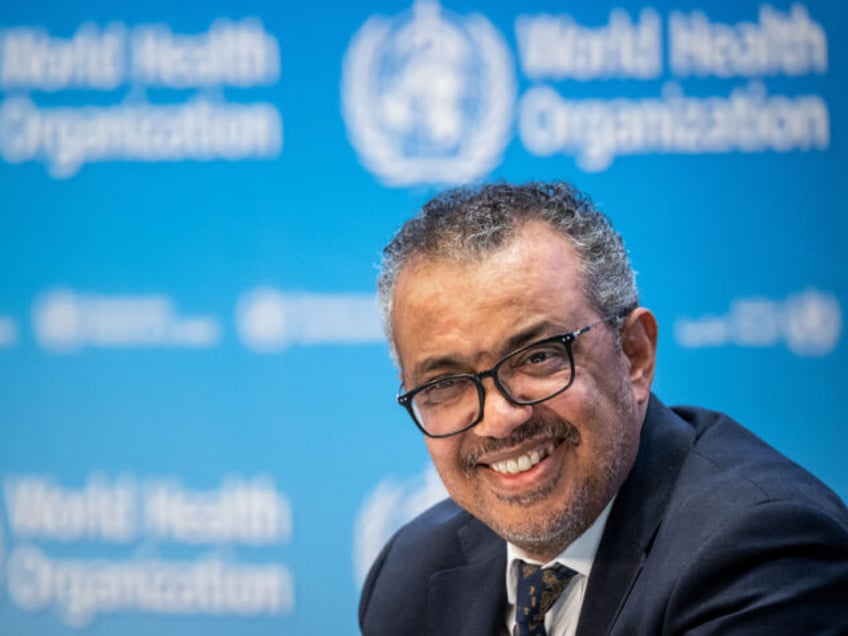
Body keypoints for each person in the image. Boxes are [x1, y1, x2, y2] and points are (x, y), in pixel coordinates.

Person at [358, 181, 848, 636]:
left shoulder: (763, 552)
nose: (500, 418)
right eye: (446, 383)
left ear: (634, 354)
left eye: (538, 356)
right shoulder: (409, 574)